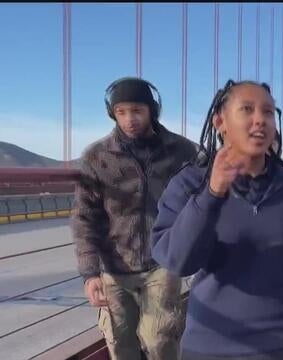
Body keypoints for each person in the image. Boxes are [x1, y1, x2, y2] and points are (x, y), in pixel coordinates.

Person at [151, 80, 283, 360]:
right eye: (247, 109)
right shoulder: (190, 183)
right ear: (220, 122)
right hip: (209, 347)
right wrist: (212, 193)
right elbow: (178, 261)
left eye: (268, 112)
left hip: (281, 347)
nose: (259, 120)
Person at [71, 77, 197, 360]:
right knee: (121, 347)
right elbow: (84, 217)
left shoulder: (182, 152)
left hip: (163, 263)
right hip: (113, 267)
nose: (130, 119)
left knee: (160, 343)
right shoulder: (97, 156)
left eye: (137, 110)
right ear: (112, 113)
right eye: (121, 112)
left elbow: (207, 197)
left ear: (152, 110)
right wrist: (90, 273)